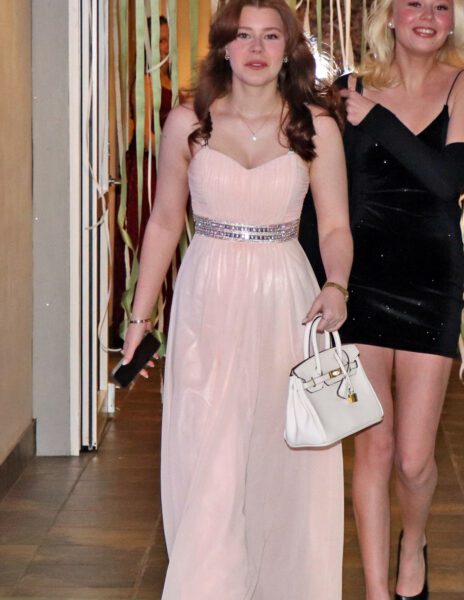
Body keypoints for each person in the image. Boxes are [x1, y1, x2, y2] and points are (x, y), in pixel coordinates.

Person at [122, 0, 352, 597]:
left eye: (270, 36)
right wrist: (139, 319)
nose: (256, 48)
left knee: (282, 455)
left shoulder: (316, 126)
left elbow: (334, 225)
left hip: (286, 300)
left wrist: (336, 283)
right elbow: (165, 222)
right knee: (209, 451)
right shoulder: (188, 122)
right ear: (223, 46)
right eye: (243, 35)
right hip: (208, 301)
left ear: (288, 49)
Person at [300, 1, 464, 598]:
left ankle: (414, 542)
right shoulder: (348, 90)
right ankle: (378, 591)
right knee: (373, 447)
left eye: (441, 6)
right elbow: (323, 196)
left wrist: (377, 121)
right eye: (414, 3)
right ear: (390, 16)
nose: (427, 16)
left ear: (454, 21)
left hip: (430, 281)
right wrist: (323, 278)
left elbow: (445, 182)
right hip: (364, 282)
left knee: (412, 459)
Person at [113, 16, 174, 342]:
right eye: (158, 41)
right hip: (149, 170)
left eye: (166, 40)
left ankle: (164, 324)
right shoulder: (146, 83)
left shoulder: (169, 80)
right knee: (145, 239)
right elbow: (145, 136)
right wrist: (176, 155)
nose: (164, 47)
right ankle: (136, 323)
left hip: (169, 170)